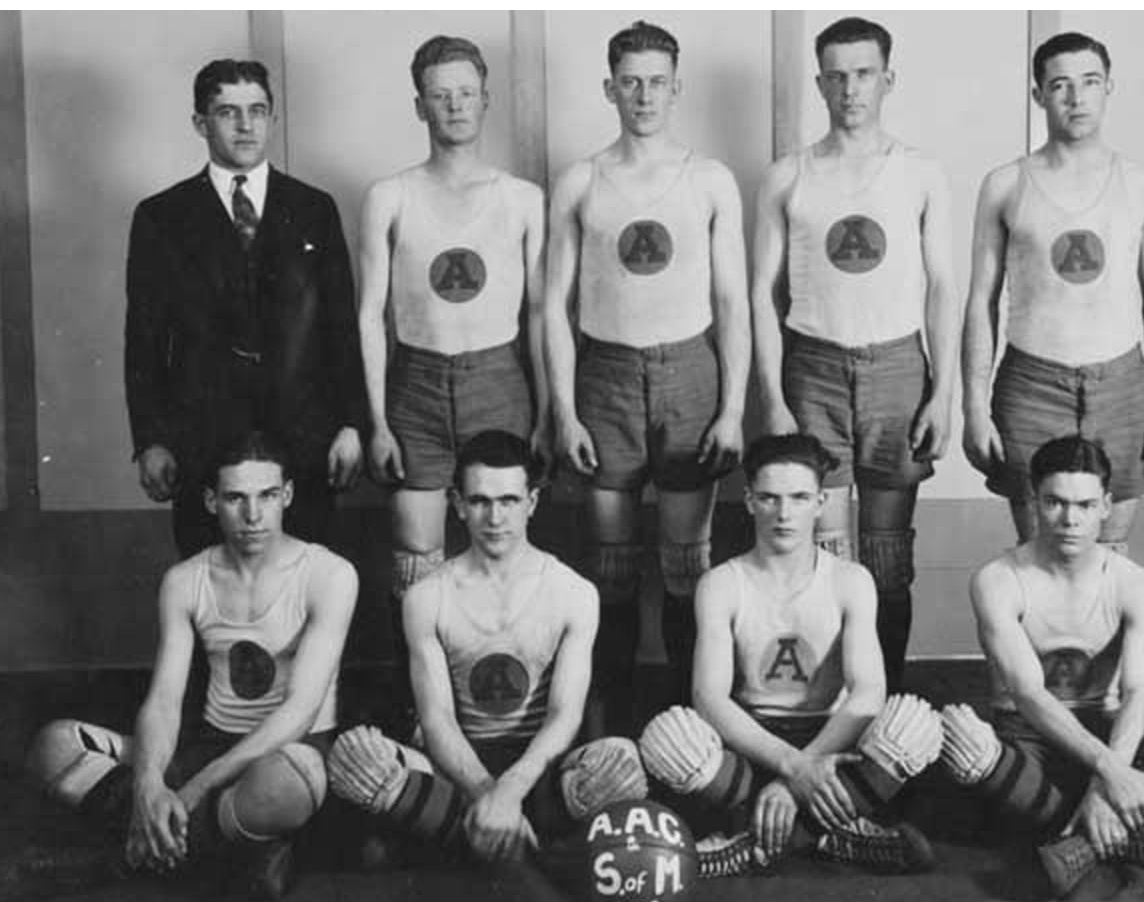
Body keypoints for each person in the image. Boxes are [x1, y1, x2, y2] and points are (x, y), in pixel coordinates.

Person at [25, 430, 359, 900]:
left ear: (287, 495)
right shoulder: (184, 580)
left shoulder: (330, 574)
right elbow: (164, 700)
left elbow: (300, 711)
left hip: (284, 753)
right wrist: (148, 786)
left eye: (267, 496)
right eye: (235, 498)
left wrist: (193, 789)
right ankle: (221, 848)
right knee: (53, 746)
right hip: (207, 744)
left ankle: (134, 853)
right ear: (210, 501)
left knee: (295, 780)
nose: (253, 515)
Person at [543, 20, 751, 735]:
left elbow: (732, 302)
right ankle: (613, 724)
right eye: (629, 82)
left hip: (689, 371)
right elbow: (553, 306)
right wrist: (564, 412)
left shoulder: (709, 179)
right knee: (611, 563)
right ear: (609, 88)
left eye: (657, 82)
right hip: (604, 375)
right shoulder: (581, 180)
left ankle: (693, 721)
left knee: (688, 560)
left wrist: (731, 409)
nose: (643, 95)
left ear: (676, 87)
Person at [939, 436, 1144, 897]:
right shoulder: (997, 580)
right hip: (1031, 740)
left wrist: (1107, 776)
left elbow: (1139, 693)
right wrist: (1114, 774)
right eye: (1055, 503)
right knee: (959, 738)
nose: (1070, 520)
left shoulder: (1135, 583)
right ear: (1034, 501)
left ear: (1105, 505)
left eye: (1084, 505)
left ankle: (1079, 839)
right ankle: (1125, 832)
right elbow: (1028, 694)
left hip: (1110, 732)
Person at [326, 431, 647, 864]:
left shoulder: (574, 593)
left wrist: (509, 792)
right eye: (480, 501)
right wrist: (486, 794)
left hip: (539, 769)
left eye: (509, 501)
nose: (495, 517)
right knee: (354, 758)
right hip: (459, 766)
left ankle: (455, 837)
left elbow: (564, 715)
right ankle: (518, 841)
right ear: (458, 504)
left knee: (623, 764)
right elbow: (437, 720)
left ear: (532, 502)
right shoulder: (426, 597)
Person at [752, 17, 958, 691]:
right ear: (819, 84)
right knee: (823, 556)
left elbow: (943, 289)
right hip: (812, 366)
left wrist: (943, 393)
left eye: (864, 73)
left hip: (897, 368)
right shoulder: (788, 176)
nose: (850, 88)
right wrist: (773, 397)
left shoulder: (920, 173)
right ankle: (825, 703)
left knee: (887, 558)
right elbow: (761, 293)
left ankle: (883, 700)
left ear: (887, 79)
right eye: (837, 76)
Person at [637, 434, 944, 877]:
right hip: (753, 746)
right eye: (769, 498)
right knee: (665, 738)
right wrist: (792, 766)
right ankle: (833, 832)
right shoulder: (721, 584)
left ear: (820, 502)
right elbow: (709, 698)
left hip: (831, 741)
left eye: (799, 498)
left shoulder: (851, 580)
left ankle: (757, 838)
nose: (784, 514)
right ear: (749, 501)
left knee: (918, 722)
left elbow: (867, 693)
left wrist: (800, 772)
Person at [125, 59, 365, 557]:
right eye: (227, 112)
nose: (245, 125)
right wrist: (150, 439)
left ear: (272, 119)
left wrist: (351, 424)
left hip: (303, 434)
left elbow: (341, 327)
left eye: (257, 111)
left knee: (303, 572)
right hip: (202, 435)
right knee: (209, 575)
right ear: (200, 123)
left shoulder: (313, 208)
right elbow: (143, 340)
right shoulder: (161, 216)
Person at [961, 32, 1144, 552]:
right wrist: (973, 406)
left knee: (1110, 553)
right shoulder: (1005, 184)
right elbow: (980, 302)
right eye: (1060, 85)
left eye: (1090, 82)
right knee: (1040, 553)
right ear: (1038, 94)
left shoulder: (1140, 185)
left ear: (1109, 88)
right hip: (1031, 383)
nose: (1076, 98)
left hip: (1122, 384)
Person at [356, 36, 549, 617]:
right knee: (416, 563)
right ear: (420, 106)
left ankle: (501, 674)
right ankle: (421, 681)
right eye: (440, 95)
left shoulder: (522, 198)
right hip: (415, 383)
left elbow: (540, 314)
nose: (455, 105)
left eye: (466, 93)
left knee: (501, 548)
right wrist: (378, 422)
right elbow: (370, 315)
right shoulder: (389, 196)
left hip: (499, 381)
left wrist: (547, 413)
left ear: (486, 100)